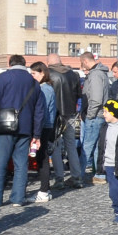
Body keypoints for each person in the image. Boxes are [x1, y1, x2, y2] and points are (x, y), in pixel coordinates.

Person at [0, 54, 45, 208]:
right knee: (21, 164)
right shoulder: (33, 83)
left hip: (5, 127)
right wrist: (37, 135)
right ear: (24, 64)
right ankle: (18, 198)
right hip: (26, 129)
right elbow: (39, 111)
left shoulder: (4, 78)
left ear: (10, 64)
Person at [46, 61, 83, 190]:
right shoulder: (73, 74)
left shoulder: (49, 74)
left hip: (56, 115)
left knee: (56, 147)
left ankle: (59, 178)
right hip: (70, 113)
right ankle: (77, 177)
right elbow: (79, 94)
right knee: (71, 146)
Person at [79, 52, 110, 184]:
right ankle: (99, 174)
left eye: (82, 64)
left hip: (95, 116)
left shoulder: (95, 75)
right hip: (99, 115)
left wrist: (89, 115)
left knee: (87, 147)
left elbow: (96, 99)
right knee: (98, 146)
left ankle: (78, 176)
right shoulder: (101, 73)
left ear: (85, 61)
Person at [29, 62, 58, 201]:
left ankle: (44, 191)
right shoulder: (45, 88)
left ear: (42, 73)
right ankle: (45, 189)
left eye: (34, 73)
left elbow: (43, 111)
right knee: (42, 158)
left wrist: (37, 131)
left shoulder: (44, 89)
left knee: (43, 159)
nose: (32, 76)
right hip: (46, 125)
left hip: (45, 126)